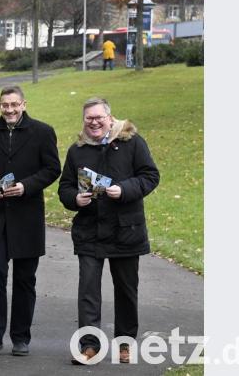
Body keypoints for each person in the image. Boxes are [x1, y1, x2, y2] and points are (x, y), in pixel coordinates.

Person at [57, 97, 160, 365]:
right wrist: (74, 199)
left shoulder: (132, 142)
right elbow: (65, 188)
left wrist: (125, 190)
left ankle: (125, 344)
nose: (94, 122)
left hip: (126, 229)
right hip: (90, 230)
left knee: (126, 290)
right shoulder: (77, 151)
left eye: (98, 117)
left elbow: (150, 176)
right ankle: (89, 346)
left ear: (110, 118)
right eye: (89, 118)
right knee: (88, 292)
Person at [0, 85, 61, 356]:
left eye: (14, 105)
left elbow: (52, 169)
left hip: (27, 216)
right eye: (5, 105)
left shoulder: (43, 132)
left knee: (25, 279)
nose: (9, 110)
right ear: (0, 106)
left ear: (24, 104)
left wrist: (26, 186)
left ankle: (21, 337)